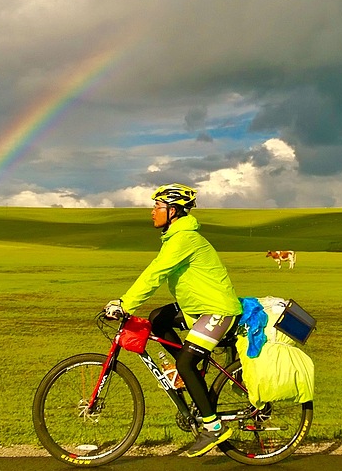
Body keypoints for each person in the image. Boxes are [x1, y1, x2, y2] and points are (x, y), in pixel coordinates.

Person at [103, 183, 242, 457]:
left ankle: (212, 427)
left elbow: (155, 273)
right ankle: (187, 373)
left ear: (174, 211)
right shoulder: (176, 237)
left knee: (186, 361)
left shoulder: (184, 240)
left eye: (157, 207)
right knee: (157, 318)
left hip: (218, 311)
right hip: (197, 309)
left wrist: (124, 303)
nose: (152, 212)